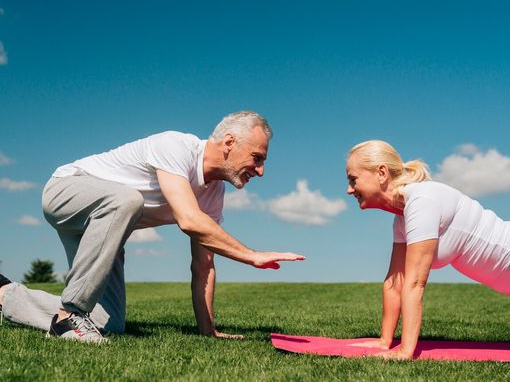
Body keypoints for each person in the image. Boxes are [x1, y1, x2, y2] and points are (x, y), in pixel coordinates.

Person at [0, 111, 304, 343]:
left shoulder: (213, 193)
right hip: (66, 192)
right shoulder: (177, 146)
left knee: (109, 322)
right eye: (257, 158)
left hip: (104, 230)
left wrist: (208, 331)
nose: (261, 171)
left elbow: (203, 265)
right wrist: (251, 256)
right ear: (228, 143)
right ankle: (69, 316)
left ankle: (4, 294)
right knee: (128, 200)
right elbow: (189, 220)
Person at [345, 140, 510, 360]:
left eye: (353, 180)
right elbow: (395, 281)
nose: (349, 189)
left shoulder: (422, 201)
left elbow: (415, 282)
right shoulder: (401, 219)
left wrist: (406, 351)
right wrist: (384, 342)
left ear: (381, 173)